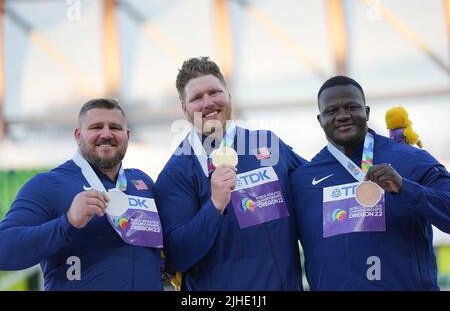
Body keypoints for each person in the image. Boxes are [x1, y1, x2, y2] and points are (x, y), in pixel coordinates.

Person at [154, 57, 307, 290]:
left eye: (215, 92)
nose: (207, 103)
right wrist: (215, 205)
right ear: (184, 108)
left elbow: (317, 187)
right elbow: (179, 256)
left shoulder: (268, 144)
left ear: (229, 97)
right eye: (196, 98)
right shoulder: (176, 172)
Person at [291, 76, 450, 290]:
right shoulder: (303, 180)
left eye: (351, 107)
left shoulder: (412, 160)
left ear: (366, 112)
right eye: (332, 111)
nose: (343, 116)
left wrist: (405, 187)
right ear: (320, 120)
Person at [0, 98, 163, 290]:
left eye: (115, 127)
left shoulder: (143, 183)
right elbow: (4, 249)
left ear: (127, 135)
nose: (106, 134)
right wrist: (67, 222)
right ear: (78, 135)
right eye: (96, 127)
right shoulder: (48, 184)